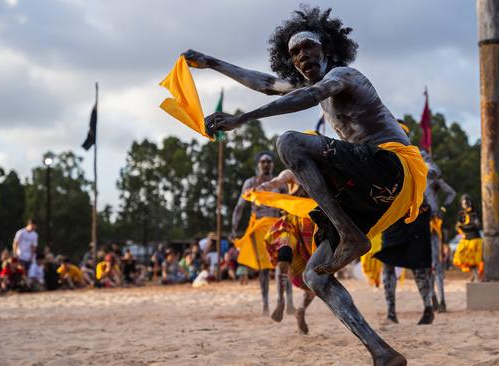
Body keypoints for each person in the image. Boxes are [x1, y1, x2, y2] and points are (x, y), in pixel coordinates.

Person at [182, 6, 428, 364]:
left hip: (392, 166)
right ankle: (382, 352)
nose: (301, 56)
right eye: (294, 53)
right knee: (315, 275)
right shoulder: (318, 85)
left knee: (290, 142)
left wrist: (241, 118)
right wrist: (212, 61)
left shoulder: (344, 75)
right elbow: (266, 84)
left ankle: (350, 234)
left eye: (307, 47)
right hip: (375, 191)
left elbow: (307, 97)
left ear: (326, 49)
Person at [228, 151, 293, 316]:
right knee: (264, 269)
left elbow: (289, 205)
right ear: (258, 164)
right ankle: (265, 304)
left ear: (272, 165)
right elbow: (239, 207)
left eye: (269, 162)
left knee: (284, 263)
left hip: (276, 226)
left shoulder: (280, 183)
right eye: (263, 161)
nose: (266, 164)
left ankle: (289, 301)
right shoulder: (250, 183)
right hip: (258, 227)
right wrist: (234, 229)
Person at [260, 170, 317, 333]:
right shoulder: (291, 173)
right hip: (292, 223)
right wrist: (263, 188)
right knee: (284, 255)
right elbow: (275, 182)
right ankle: (280, 300)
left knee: (317, 279)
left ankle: (301, 311)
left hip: (314, 226)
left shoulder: (320, 171)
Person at [421, 150, 455, 313]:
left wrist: (443, 207)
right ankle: (432, 298)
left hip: (433, 223)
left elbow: (451, 193)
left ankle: (442, 300)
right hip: (419, 224)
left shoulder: (432, 178)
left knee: (436, 263)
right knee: (424, 263)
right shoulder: (412, 179)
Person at [453, 194, 483, 282]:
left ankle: (476, 276)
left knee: (475, 261)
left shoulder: (474, 214)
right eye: (464, 204)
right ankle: (474, 275)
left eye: (467, 203)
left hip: (475, 240)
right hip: (465, 240)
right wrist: (461, 231)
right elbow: (457, 227)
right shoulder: (461, 214)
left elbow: (477, 225)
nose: (466, 205)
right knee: (459, 258)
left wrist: (470, 222)